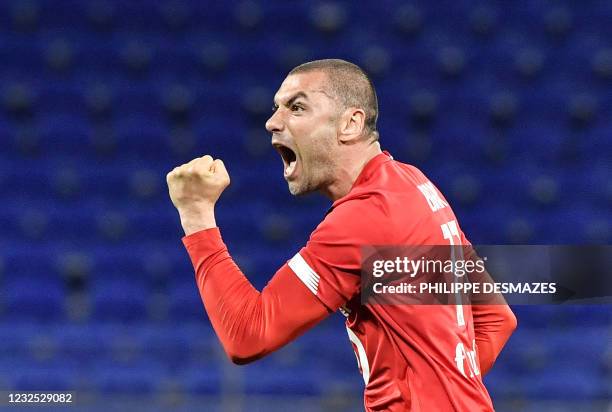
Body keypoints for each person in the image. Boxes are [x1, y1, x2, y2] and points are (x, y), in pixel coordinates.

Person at [166, 59, 517, 411]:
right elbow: (497, 320)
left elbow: (247, 335)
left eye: (297, 107)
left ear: (350, 123)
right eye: (276, 108)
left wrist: (196, 215)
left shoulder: (363, 219)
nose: (273, 122)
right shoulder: (414, 184)